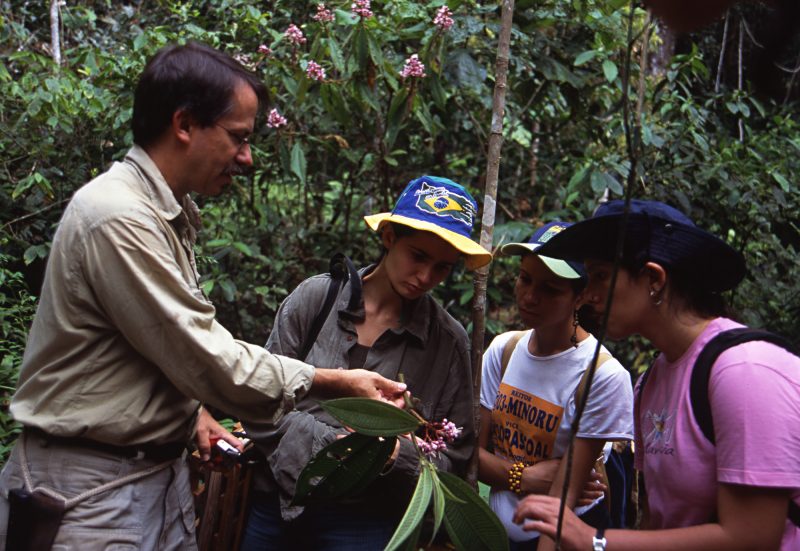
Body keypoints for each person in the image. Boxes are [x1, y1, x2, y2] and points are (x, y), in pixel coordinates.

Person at [0, 42, 406, 551]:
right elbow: (204, 355)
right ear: (185, 123)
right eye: (238, 137)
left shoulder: (164, 215)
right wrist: (333, 381)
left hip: (148, 484)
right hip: (89, 494)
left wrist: (191, 416)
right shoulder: (118, 216)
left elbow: (145, 350)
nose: (247, 157)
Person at [514, 199, 800, 550]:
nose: (588, 295)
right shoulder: (652, 381)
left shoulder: (745, 372)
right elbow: (657, 519)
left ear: (654, 278)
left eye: (601, 276)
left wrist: (595, 541)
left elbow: (753, 536)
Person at [240, 175, 493, 550]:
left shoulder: (448, 343)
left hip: (365, 523)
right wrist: (341, 449)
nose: (425, 277)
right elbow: (261, 399)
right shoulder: (315, 301)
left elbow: (452, 458)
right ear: (389, 237)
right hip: (278, 505)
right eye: (418, 256)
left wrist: (393, 455)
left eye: (442, 267)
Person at [479, 222, 634, 551]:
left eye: (551, 289)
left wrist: (500, 469)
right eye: (525, 279)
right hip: (493, 531)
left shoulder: (601, 376)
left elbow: (566, 494)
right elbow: (470, 456)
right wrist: (524, 476)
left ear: (580, 297)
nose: (530, 296)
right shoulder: (503, 351)